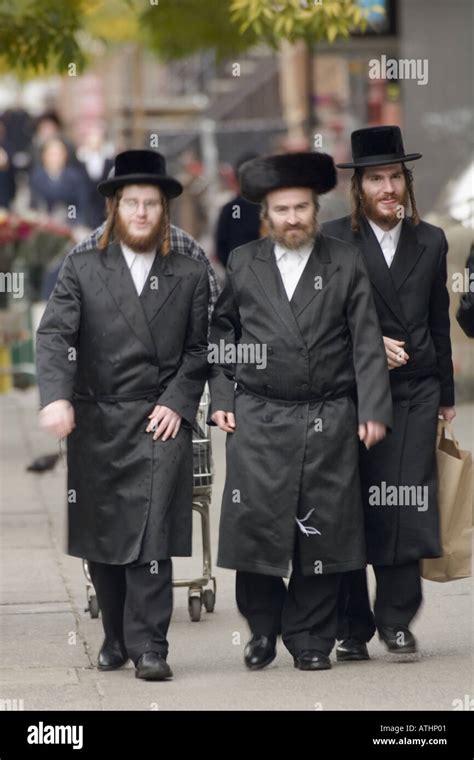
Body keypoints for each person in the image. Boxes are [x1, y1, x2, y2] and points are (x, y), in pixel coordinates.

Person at [209, 151, 392, 671]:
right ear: (266, 214)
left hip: (328, 416)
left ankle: (311, 639)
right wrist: (223, 400)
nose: (292, 218)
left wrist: (372, 408)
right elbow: (223, 337)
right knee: (258, 530)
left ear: (316, 208)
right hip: (260, 416)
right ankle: (263, 629)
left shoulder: (345, 260)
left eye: (301, 208)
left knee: (324, 531)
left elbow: (366, 341)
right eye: (282, 209)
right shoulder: (245, 262)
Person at [36, 150, 210, 681]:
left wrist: (178, 403)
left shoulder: (189, 270)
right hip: (97, 419)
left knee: (153, 537)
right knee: (105, 540)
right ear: (114, 207)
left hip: (160, 418)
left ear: (164, 212)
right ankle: (114, 634)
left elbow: (202, 350)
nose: (140, 212)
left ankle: (151, 646)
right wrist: (56, 397)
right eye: (131, 202)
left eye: (151, 204)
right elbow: (55, 334)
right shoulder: (83, 266)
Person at [322, 125, 455, 660]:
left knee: (405, 501)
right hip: (349, 390)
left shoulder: (431, 240)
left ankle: (396, 618)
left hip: (417, 391)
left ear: (407, 181)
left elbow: (439, 321)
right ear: (359, 187)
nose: (387, 188)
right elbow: (319, 321)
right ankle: (351, 626)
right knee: (350, 505)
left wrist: (446, 394)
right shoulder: (332, 239)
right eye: (375, 178)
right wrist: (369, 344)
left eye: (394, 176)